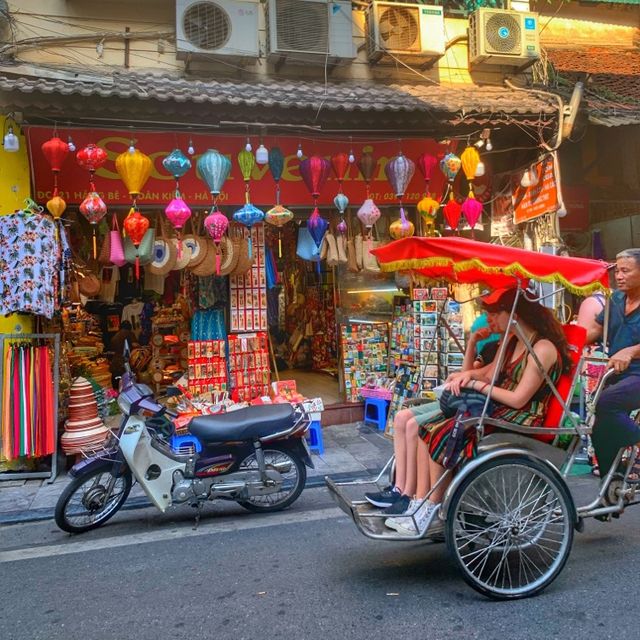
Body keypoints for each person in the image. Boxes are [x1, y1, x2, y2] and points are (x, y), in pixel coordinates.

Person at [386, 287, 573, 536]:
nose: (490, 320)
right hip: (499, 407)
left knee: (444, 432)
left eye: (496, 313)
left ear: (514, 314)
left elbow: (518, 400)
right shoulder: (513, 341)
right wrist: (470, 374)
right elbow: (491, 374)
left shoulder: (542, 348)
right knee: (426, 428)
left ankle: (433, 509)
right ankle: (420, 502)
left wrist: (476, 384)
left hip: (522, 416)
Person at [364, 310, 501, 515]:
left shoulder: (506, 349)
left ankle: (411, 494)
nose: (488, 318)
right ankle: (399, 488)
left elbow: (482, 377)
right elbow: (468, 371)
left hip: (471, 403)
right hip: (459, 398)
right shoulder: (491, 347)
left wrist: (469, 379)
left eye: (494, 313)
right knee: (401, 417)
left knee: (415, 426)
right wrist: (472, 343)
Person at [583, 248, 640, 480]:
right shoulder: (615, 299)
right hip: (617, 374)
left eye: (626, 271)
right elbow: (592, 331)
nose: (619, 276)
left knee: (607, 402)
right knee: (597, 427)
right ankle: (611, 484)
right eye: (617, 270)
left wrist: (632, 351)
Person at [109, 320, 137, 388]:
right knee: (127, 382)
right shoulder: (129, 333)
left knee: (116, 384)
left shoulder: (116, 334)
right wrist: (141, 347)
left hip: (115, 362)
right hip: (125, 362)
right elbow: (134, 344)